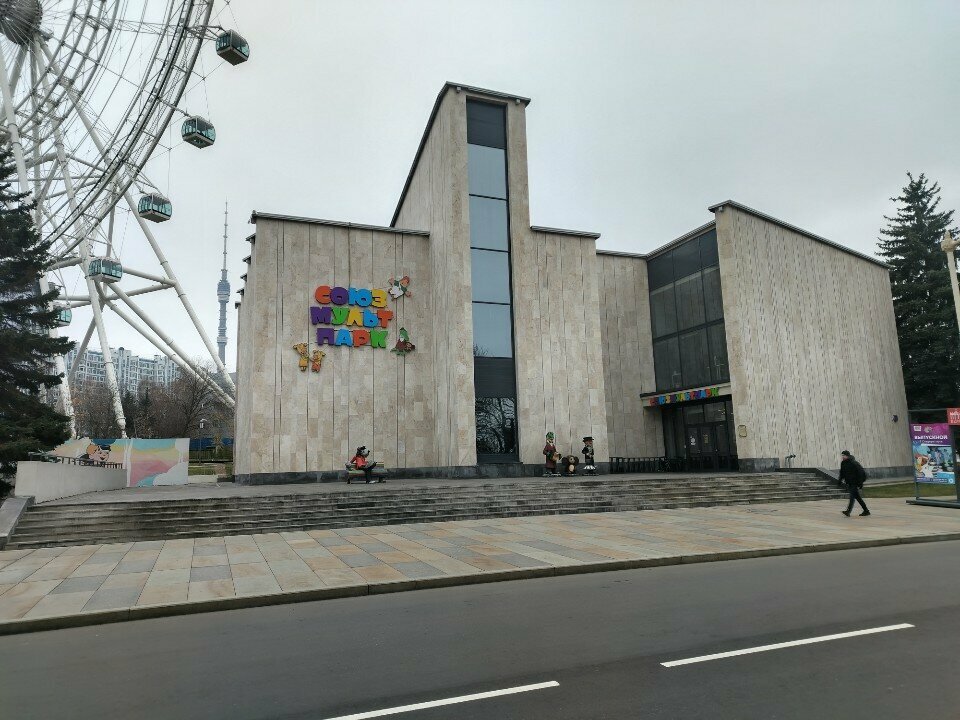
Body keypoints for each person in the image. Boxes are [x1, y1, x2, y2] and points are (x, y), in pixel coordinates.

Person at [839, 449, 870, 517]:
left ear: (847, 456)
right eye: (842, 455)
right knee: (858, 497)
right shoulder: (843, 463)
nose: (842, 457)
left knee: (852, 497)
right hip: (849, 482)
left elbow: (861, 473)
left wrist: (860, 483)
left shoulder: (854, 463)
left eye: (844, 455)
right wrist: (840, 480)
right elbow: (842, 472)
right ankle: (866, 511)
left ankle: (848, 511)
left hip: (855, 482)